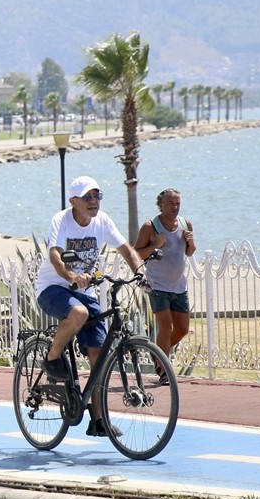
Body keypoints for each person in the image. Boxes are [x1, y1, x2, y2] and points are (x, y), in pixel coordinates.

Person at [33, 176, 147, 437]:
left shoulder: (102, 221)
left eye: (97, 196)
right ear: (74, 201)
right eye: (87, 197)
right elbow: (55, 254)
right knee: (79, 313)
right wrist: (70, 276)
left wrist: (141, 272)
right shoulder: (61, 220)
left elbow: (125, 248)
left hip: (86, 290)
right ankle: (52, 357)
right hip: (53, 288)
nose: (93, 201)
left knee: (99, 353)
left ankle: (98, 420)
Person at [133, 188, 196, 359]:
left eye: (177, 203)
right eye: (170, 203)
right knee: (166, 327)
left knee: (182, 329)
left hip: (178, 285)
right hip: (157, 285)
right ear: (160, 205)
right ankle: (162, 368)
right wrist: (156, 245)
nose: (175, 207)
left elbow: (189, 252)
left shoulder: (185, 224)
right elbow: (136, 254)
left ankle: (158, 352)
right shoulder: (151, 227)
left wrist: (190, 243)